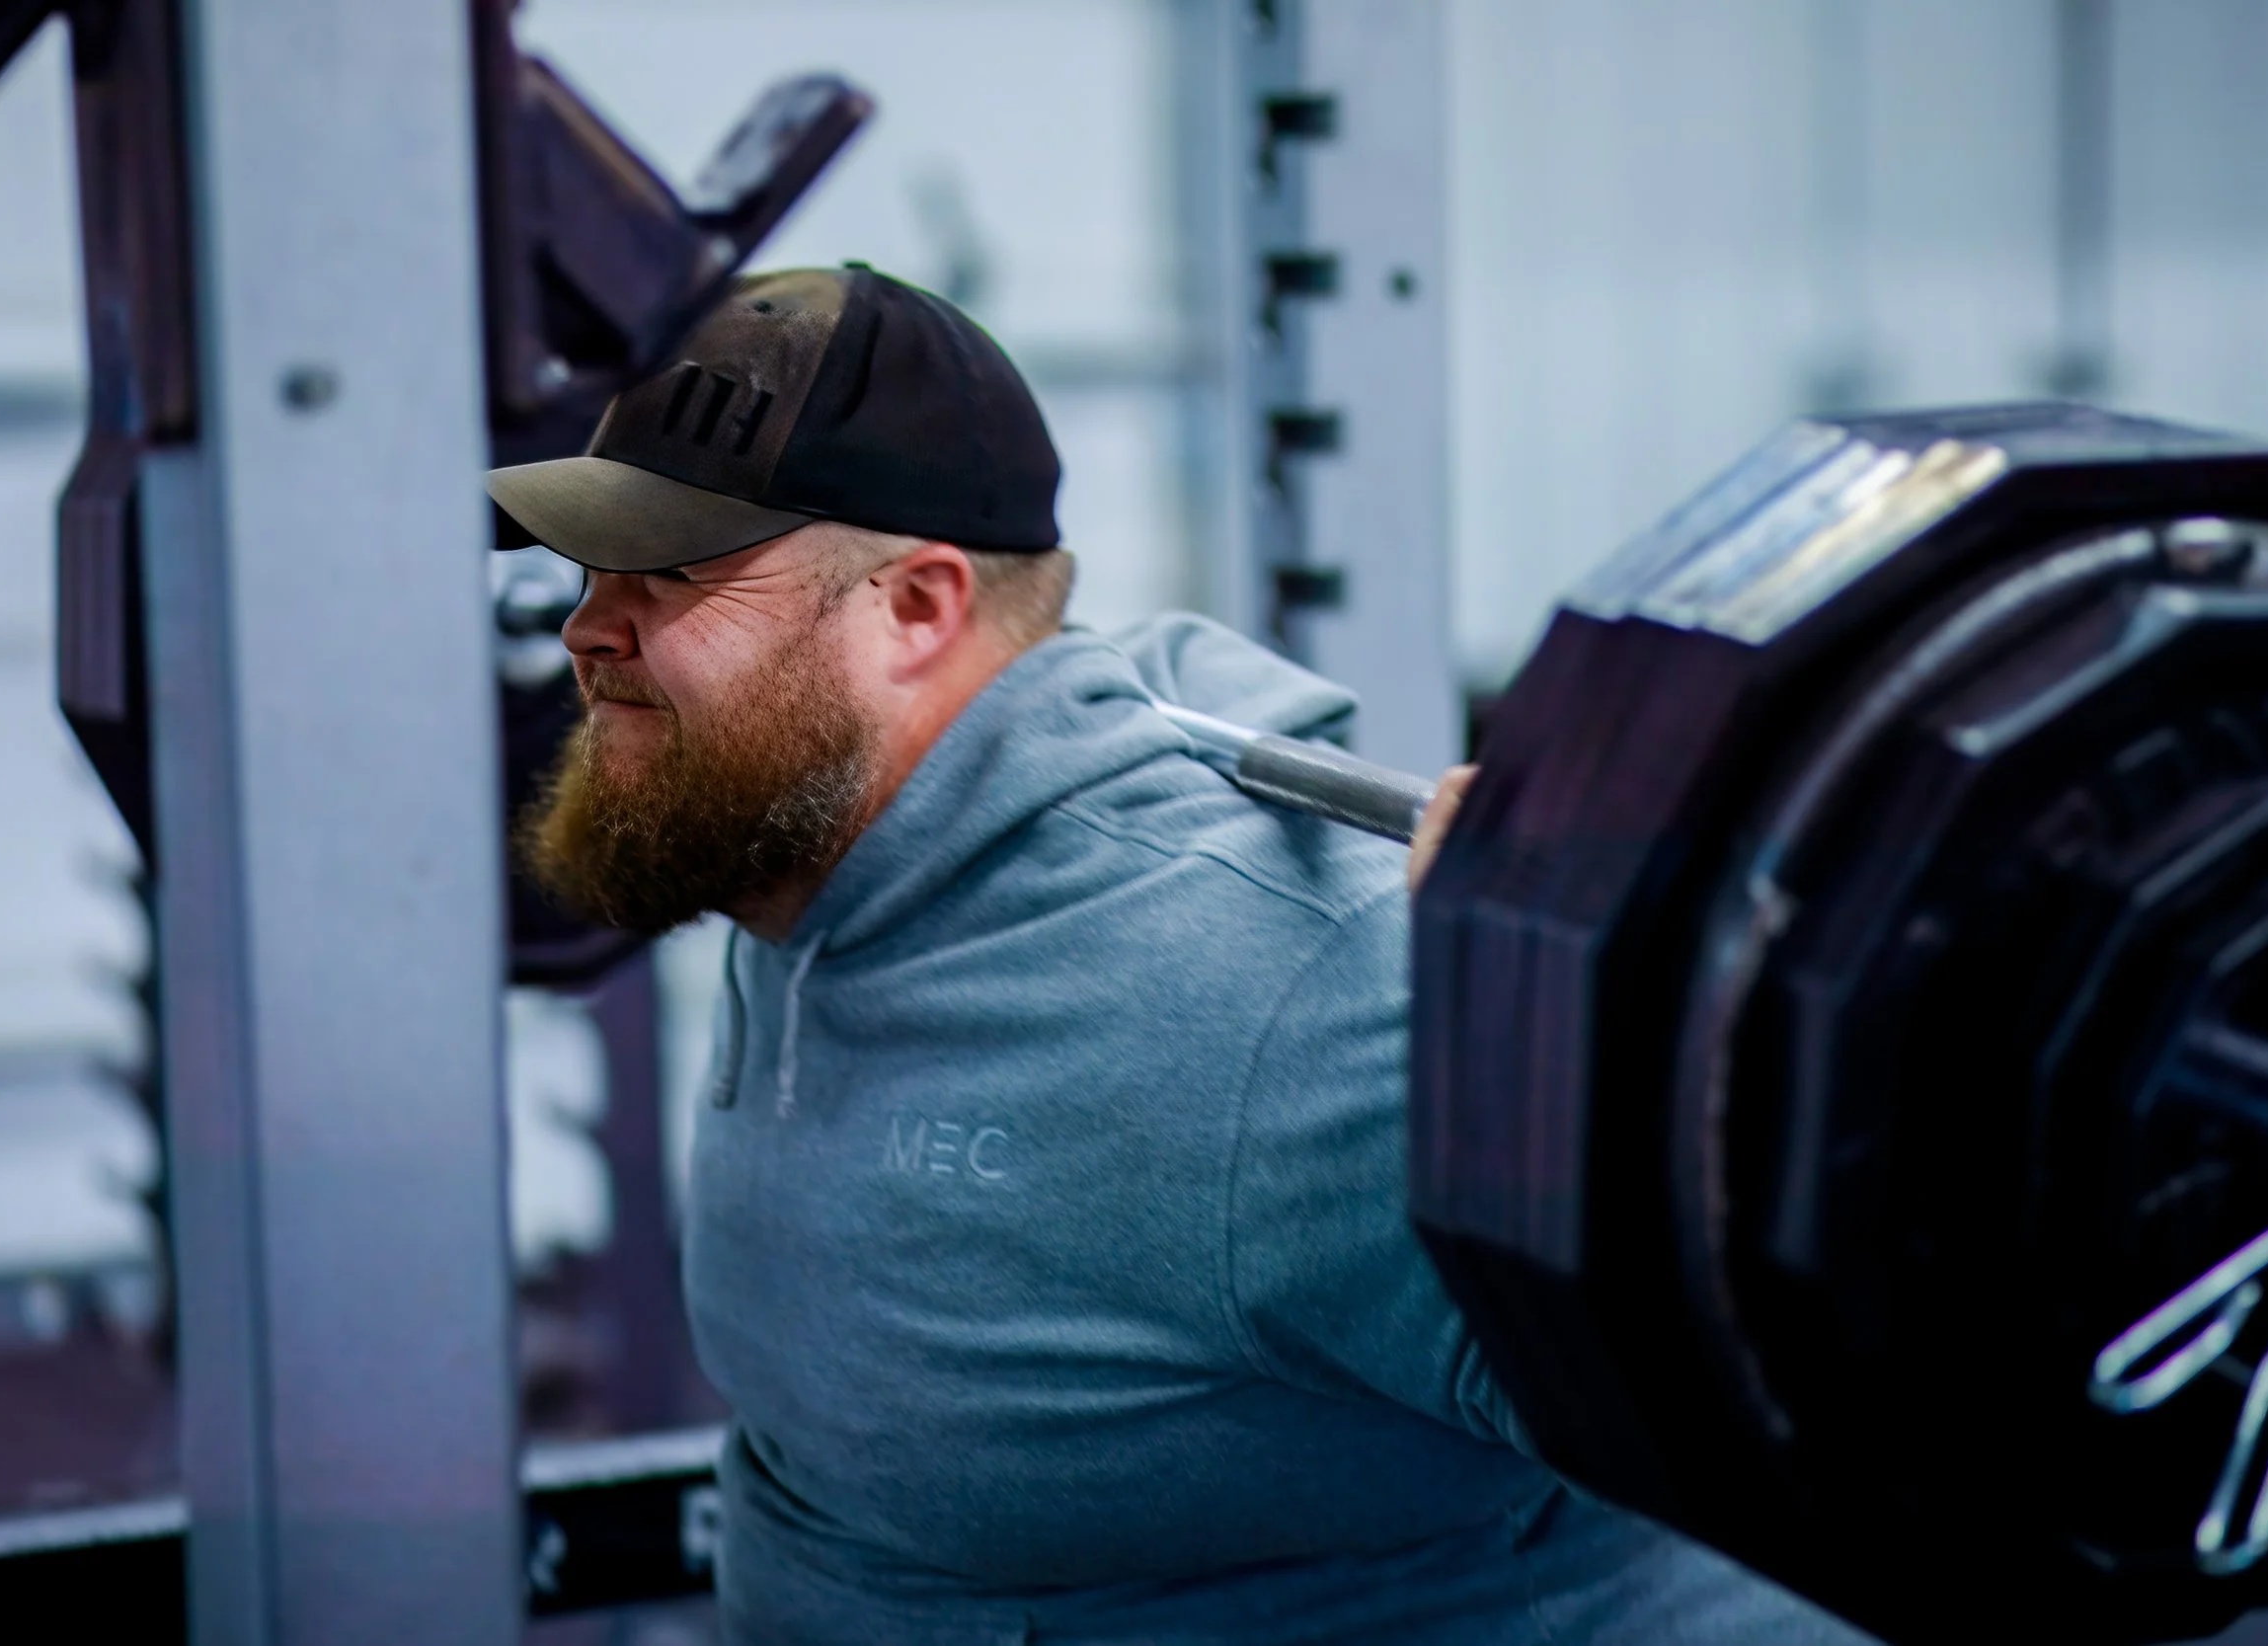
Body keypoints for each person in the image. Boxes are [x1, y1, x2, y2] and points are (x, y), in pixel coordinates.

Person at [488, 265, 1868, 1644]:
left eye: (673, 574)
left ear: (915, 608)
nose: (588, 628)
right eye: (596, 569)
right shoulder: (806, 853)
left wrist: (1621, 1049)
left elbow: (1795, 1411)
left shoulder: (1281, 995)